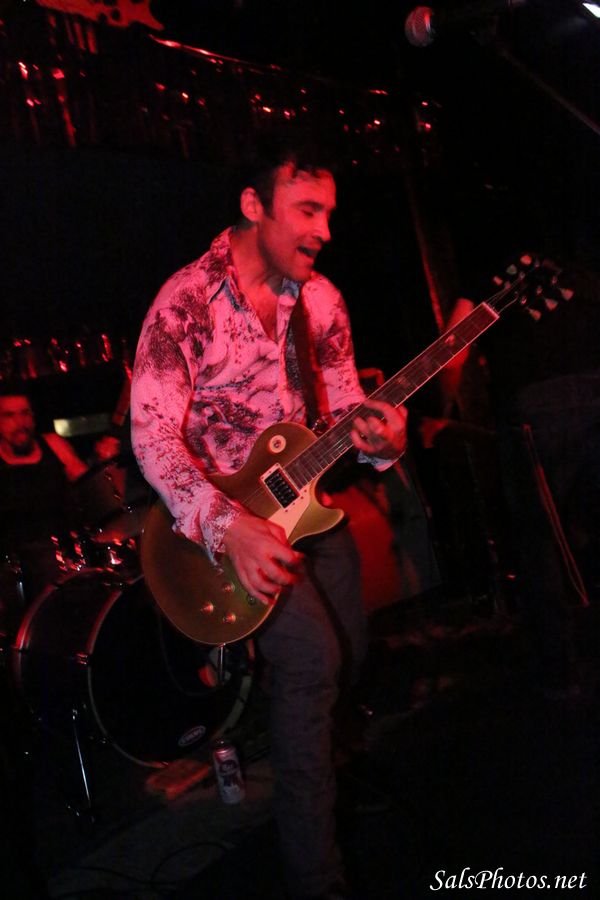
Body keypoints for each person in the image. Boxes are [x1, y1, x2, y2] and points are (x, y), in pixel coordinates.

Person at [131, 138, 407, 899]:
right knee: (313, 663)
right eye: (307, 210)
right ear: (254, 205)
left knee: (348, 655)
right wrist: (228, 527)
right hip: (224, 530)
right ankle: (317, 876)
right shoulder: (186, 301)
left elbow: (346, 404)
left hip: (310, 506)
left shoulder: (320, 300)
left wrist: (381, 442)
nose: (324, 230)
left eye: (329, 213)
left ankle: (321, 775)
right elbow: (151, 435)